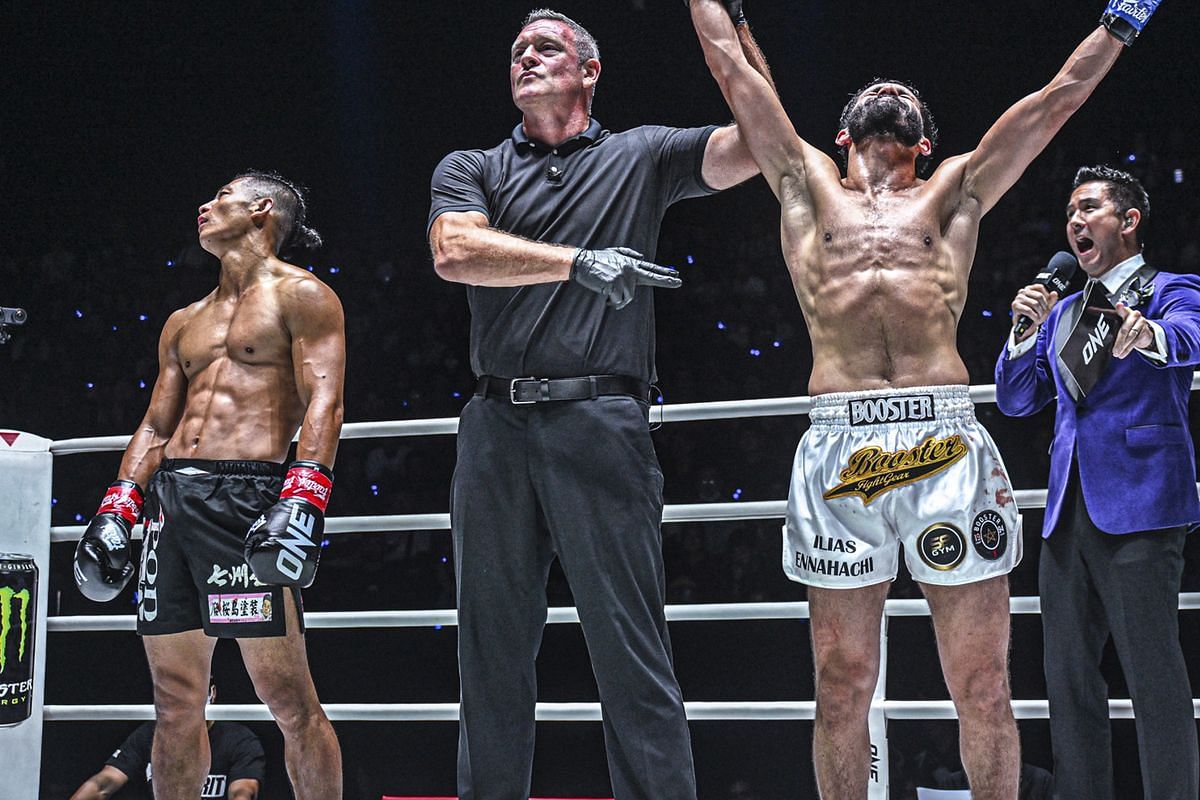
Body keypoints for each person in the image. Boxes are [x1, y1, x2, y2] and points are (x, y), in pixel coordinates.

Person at [687, 0, 1165, 797]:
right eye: (874, 89)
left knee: (982, 683)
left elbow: (1058, 98)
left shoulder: (956, 190)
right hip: (840, 443)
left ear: (925, 140)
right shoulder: (806, 187)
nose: (887, 87)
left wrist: (1124, 17)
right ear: (840, 136)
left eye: (902, 91)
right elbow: (733, 72)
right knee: (841, 684)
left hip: (943, 440)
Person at [427, 7, 764, 798]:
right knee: (490, 654)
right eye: (517, 51)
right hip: (494, 426)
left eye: (547, 48)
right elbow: (454, 250)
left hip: (602, 422)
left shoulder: (639, 153)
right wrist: (579, 263)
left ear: (589, 71)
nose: (527, 59)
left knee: (630, 647)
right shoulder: (470, 166)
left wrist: (733, 22)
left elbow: (757, 144)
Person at [72, 171, 345, 799]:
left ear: (261, 210)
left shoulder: (303, 295)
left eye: (221, 196)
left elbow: (324, 402)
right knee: (174, 704)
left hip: (245, 500)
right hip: (170, 508)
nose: (205, 204)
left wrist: (303, 499)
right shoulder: (182, 321)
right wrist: (118, 505)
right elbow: (156, 423)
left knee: (286, 699)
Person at [994, 165, 1200, 800]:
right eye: (1069, 213)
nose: (1074, 222)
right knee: (1069, 678)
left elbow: (1189, 338)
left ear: (1128, 221)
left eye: (1088, 209)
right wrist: (1022, 330)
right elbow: (1015, 399)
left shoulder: (1169, 288)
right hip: (1067, 512)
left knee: (1153, 674)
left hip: (1142, 502)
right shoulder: (1059, 314)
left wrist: (1150, 334)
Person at [69, 677, 266, 800]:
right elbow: (103, 783)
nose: (188, 699)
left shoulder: (239, 740)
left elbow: (242, 794)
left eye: (195, 689)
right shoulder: (150, 734)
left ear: (211, 693)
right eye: (182, 690)